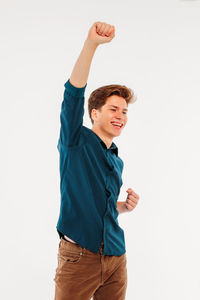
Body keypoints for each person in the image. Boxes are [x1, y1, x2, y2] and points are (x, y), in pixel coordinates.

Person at [53, 21, 140, 300]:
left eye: (125, 111)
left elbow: (102, 209)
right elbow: (73, 94)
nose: (121, 116)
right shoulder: (74, 142)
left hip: (116, 257)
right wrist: (91, 45)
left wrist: (123, 207)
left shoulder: (116, 160)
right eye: (113, 109)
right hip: (79, 258)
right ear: (94, 113)